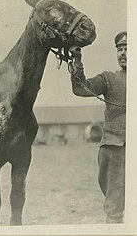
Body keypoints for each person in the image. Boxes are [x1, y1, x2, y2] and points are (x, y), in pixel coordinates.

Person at [70, 31, 127, 223]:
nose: (123, 53)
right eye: (120, 49)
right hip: (115, 149)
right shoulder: (109, 79)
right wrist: (77, 61)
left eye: (128, 49)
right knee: (115, 209)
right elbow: (80, 88)